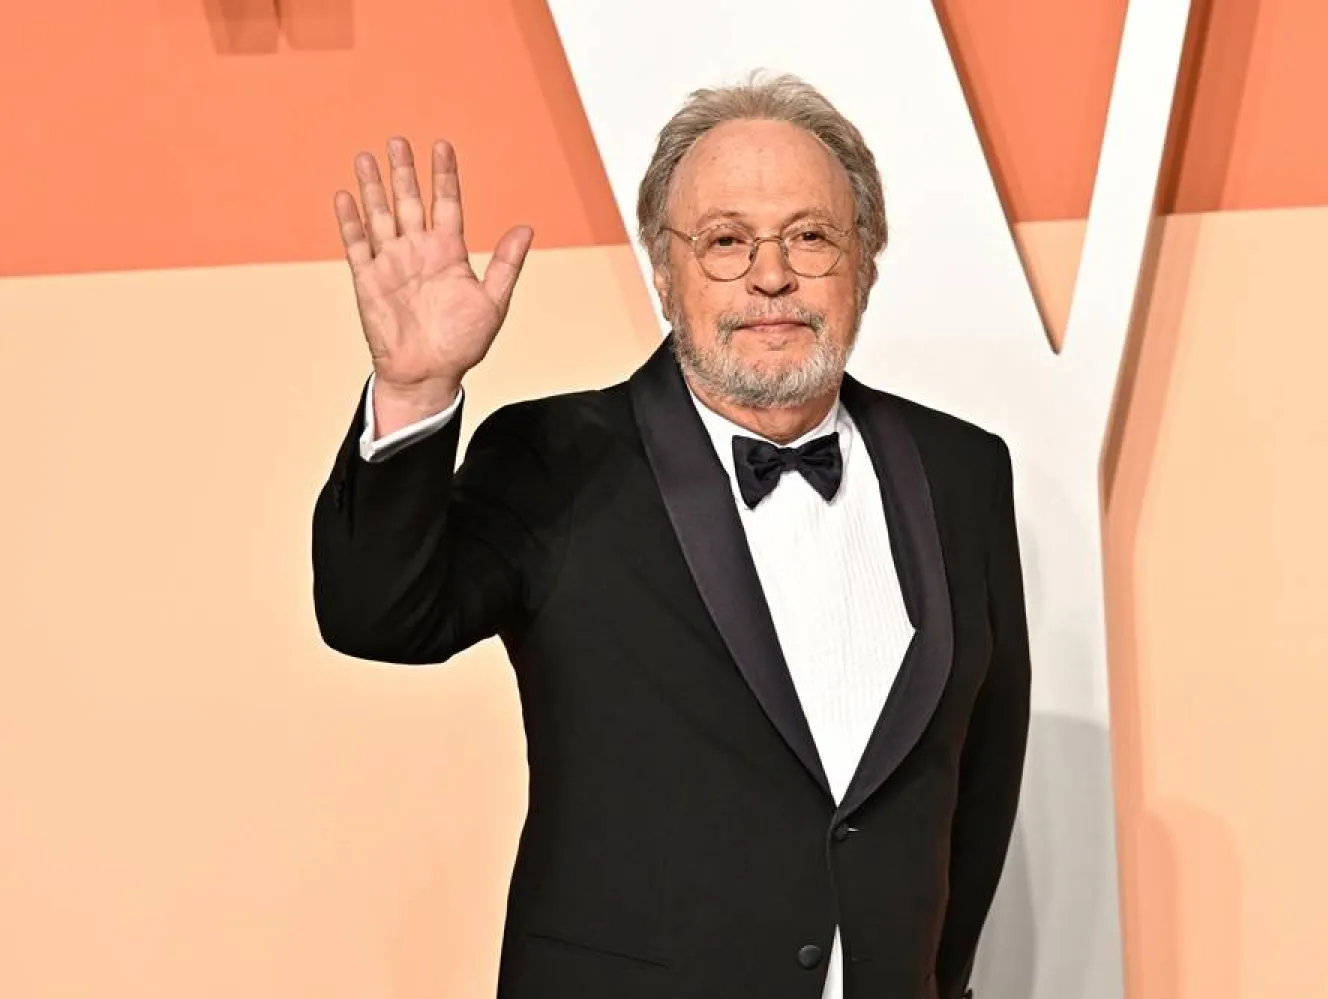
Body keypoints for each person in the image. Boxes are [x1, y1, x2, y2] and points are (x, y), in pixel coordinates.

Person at [311, 72, 1030, 999]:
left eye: (810, 236)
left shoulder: (964, 470)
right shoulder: (556, 455)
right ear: (663, 271)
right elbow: (377, 614)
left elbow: (983, 770)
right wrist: (414, 393)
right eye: (726, 240)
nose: (771, 275)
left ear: (865, 262)